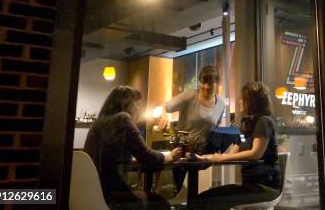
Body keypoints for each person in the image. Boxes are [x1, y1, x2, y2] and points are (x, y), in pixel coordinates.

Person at [84, 86, 183, 210]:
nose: (138, 108)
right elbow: (146, 156)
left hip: (92, 194)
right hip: (112, 196)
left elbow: (107, 156)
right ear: (126, 104)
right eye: (135, 104)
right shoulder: (123, 118)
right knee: (160, 203)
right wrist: (170, 156)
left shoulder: (98, 123)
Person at [193, 81, 282, 210]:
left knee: (206, 200)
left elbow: (256, 153)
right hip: (251, 186)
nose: (240, 101)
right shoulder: (249, 124)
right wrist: (211, 156)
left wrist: (219, 158)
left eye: (243, 98)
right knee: (203, 198)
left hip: (265, 187)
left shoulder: (263, 121)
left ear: (252, 101)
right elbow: (232, 153)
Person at [160, 65, 226, 190]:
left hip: (204, 153)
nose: (206, 86)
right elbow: (166, 105)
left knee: (198, 189)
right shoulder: (190, 95)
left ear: (217, 83)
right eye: (203, 82)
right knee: (180, 188)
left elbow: (217, 127)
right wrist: (164, 117)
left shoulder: (221, 103)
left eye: (210, 83)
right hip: (183, 150)